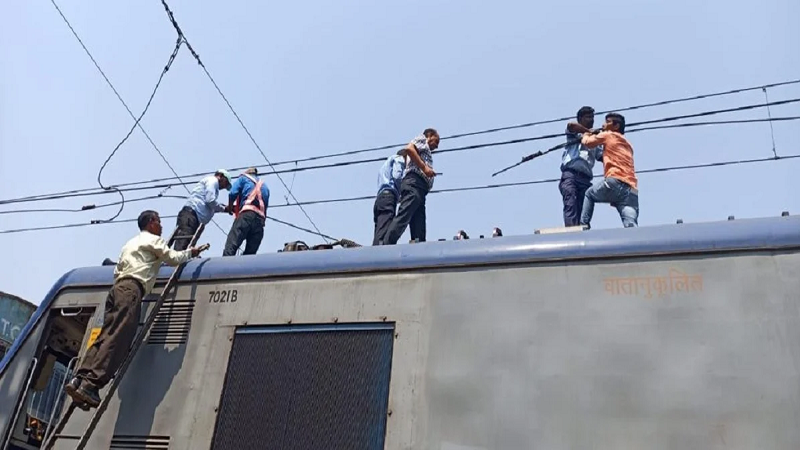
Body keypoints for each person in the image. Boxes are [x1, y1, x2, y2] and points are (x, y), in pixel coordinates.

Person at [65, 210, 207, 408]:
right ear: (151, 223)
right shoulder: (153, 240)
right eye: (159, 221)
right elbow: (173, 258)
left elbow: (117, 270)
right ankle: (91, 385)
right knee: (119, 337)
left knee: (105, 335)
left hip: (117, 289)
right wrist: (191, 253)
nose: (161, 226)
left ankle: (78, 379)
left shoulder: (129, 244)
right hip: (132, 290)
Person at [579, 113, 639, 229]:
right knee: (630, 223)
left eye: (607, 122)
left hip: (615, 181)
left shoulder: (608, 135)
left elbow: (588, 143)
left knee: (589, 194)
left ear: (616, 126)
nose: (603, 125)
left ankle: (584, 226)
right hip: (631, 188)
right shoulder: (627, 145)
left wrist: (586, 134)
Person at [383, 128, 440, 245]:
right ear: (429, 136)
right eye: (436, 141)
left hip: (421, 189)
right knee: (404, 216)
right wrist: (425, 168)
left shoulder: (424, 150)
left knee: (419, 224)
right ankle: (387, 244)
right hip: (414, 184)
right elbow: (409, 148)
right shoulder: (422, 139)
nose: (437, 146)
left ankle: (418, 247)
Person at [559, 106, 604, 227]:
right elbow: (571, 126)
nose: (591, 120)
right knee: (571, 202)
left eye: (592, 117)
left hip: (585, 179)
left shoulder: (595, 140)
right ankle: (571, 233)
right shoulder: (574, 133)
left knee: (584, 210)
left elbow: (602, 157)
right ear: (580, 119)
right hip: (571, 176)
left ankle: (582, 232)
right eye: (588, 117)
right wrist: (588, 132)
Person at [173, 170, 232, 250]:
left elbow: (209, 205)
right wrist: (224, 208)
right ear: (221, 176)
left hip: (193, 217)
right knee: (182, 246)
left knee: (186, 247)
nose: (224, 186)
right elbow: (210, 201)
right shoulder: (213, 180)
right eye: (226, 183)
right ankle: (176, 258)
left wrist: (224, 208)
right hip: (191, 215)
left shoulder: (212, 186)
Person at [223, 168, 270, 256]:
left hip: (246, 216)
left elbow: (232, 193)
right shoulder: (265, 187)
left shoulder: (243, 178)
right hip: (260, 221)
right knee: (250, 255)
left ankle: (225, 264)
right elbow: (265, 205)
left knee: (231, 246)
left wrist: (230, 208)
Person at [372, 153, 406, 245]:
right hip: (388, 198)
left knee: (380, 230)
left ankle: (375, 251)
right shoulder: (399, 158)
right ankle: (379, 252)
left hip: (380, 199)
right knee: (382, 234)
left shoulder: (385, 165)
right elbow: (397, 176)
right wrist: (402, 191)